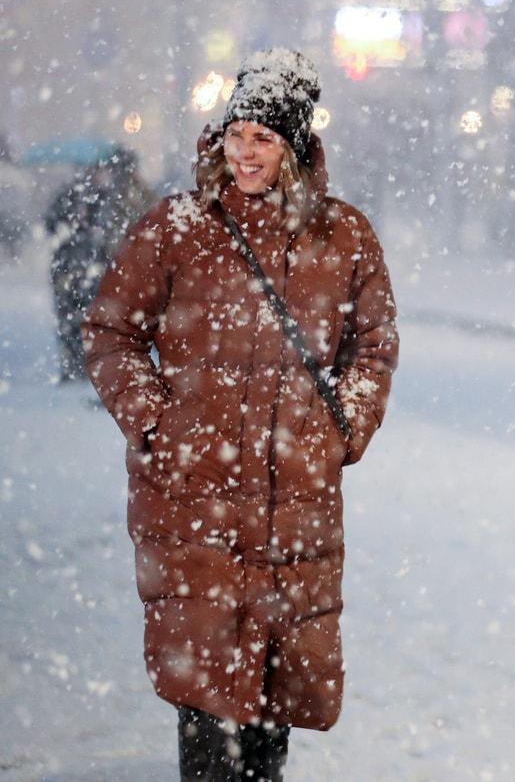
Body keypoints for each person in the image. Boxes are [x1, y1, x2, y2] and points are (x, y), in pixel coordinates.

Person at [83, 48, 398, 782]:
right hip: (198, 507)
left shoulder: (342, 236)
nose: (245, 153)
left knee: (268, 722)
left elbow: (374, 342)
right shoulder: (178, 227)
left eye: (263, 138)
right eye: (236, 135)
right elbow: (110, 331)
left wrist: (343, 425)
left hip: (295, 508)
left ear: (294, 147)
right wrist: (158, 424)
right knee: (209, 715)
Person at [43, 144, 153, 381]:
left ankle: (89, 366)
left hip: (99, 266)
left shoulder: (111, 197)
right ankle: (79, 365)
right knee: (73, 316)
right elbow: (52, 224)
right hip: (80, 265)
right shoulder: (79, 197)